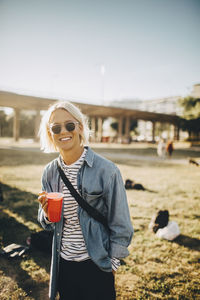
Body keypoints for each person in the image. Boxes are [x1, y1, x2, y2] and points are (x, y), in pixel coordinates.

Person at [37, 101, 134, 300]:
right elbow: (46, 223)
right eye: (56, 128)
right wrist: (46, 214)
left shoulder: (107, 171)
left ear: (80, 127)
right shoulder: (50, 173)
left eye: (69, 125)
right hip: (63, 264)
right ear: (50, 134)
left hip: (97, 264)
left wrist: (112, 265)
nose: (63, 131)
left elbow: (121, 223)